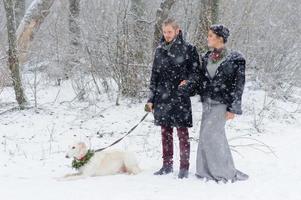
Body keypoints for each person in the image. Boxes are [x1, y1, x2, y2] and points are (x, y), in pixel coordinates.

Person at [180, 24, 249, 182]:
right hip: (208, 103)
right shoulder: (207, 57)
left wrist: (233, 107)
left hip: (222, 104)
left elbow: (239, 85)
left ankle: (222, 173)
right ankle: (206, 171)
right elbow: (201, 80)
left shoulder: (236, 58)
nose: (208, 38)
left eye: (211, 35)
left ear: (220, 38)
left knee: (210, 135)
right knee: (211, 136)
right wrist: (188, 85)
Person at [145, 18, 200, 179]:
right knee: (165, 132)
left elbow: (196, 72)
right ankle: (167, 165)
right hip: (162, 96)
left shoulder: (189, 49)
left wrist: (188, 82)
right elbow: (154, 76)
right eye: (164, 32)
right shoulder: (159, 49)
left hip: (179, 96)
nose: (167, 35)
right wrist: (151, 99)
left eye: (170, 31)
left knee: (182, 133)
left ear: (177, 31)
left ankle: (184, 167)